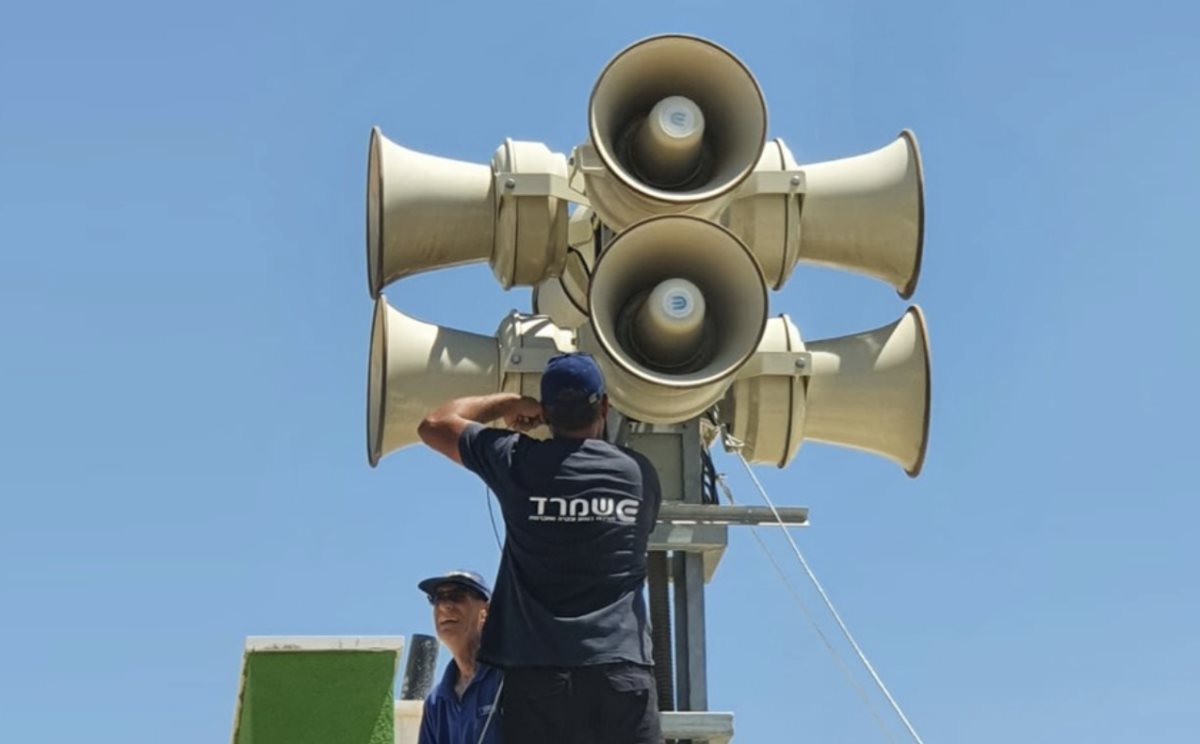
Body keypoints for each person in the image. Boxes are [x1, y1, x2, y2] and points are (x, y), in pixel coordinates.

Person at [417, 352, 663, 744]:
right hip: (620, 671)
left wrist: (511, 403)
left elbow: (435, 425)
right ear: (603, 405)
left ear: (546, 413)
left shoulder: (517, 460)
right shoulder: (638, 474)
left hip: (537, 678)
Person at [416, 570, 502, 744]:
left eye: (456, 596)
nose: (444, 606)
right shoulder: (436, 703)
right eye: (437, 598)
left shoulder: (508, 677)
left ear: (486, 610)